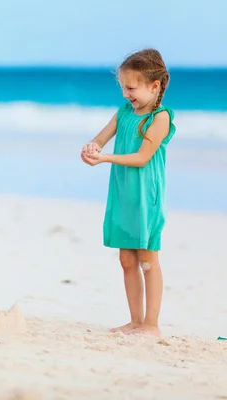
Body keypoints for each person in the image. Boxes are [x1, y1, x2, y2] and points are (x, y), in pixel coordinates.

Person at [80, 48, 176, 337]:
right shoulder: (123, 112)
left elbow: (142, 158)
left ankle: (151, 324)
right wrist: (93, 146)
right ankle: (135, 321)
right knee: (126, 259)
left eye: (131, 88)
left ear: (154, 86)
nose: (125, 94)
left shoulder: (160, 118)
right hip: (123, 192)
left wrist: (106, 159)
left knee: (147, 259)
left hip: (146, 195)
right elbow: (102, 136)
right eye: (123, 87)